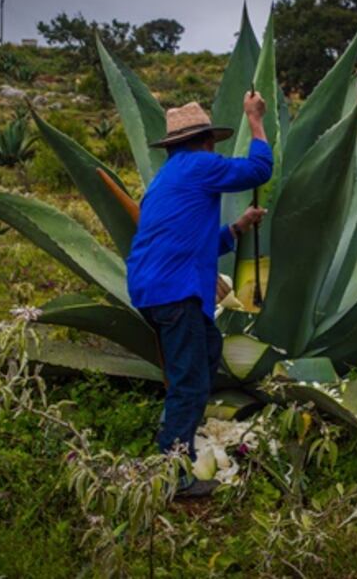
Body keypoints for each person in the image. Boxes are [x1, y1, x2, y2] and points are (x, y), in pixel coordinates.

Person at [126, 92, 272, 497]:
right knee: (190, 381)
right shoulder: (199, 165)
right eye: (212, 142)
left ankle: (178, 431)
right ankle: (172, 473)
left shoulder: (169, 178)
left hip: (153, 288)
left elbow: (196, 242)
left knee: (205, 352)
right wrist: (255, 120)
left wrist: (238, 228)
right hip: (174, 292)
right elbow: (259, 170)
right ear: (205, 141)